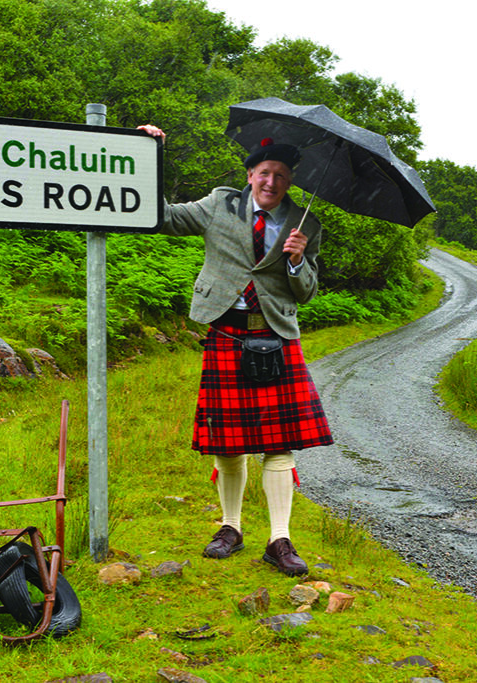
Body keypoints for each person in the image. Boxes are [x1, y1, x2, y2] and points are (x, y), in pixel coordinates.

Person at [138, 124, 333, 576]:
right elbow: (161, 215)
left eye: (281, 175)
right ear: (250, 175)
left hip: (276, 336)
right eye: (265, 172)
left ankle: (279, 540)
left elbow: (305, 294)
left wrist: (299, 259)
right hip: (226, 334)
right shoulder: (217, 205)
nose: (271, 182)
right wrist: (153, 155)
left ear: (290, 181)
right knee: (228, 445)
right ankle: (231, 528)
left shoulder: (306, 225)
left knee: (280, 445)